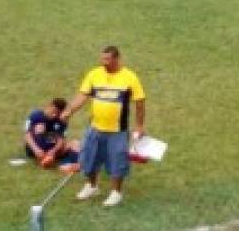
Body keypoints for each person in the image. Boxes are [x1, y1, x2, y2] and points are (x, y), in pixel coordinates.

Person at [61, 45, 147, 208]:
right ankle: (92, 186)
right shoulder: (94, 74)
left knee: (117, 161)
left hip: (117, 131)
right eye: (102, 59)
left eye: (107, 59)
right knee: (89, 157)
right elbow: (82, 95)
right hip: (95, 127)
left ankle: (116, 193)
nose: (104, 62)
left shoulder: (130, 78)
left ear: (117, 59)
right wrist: (70, 110)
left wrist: (139, 126)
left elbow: (140, 102)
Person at [23, 97, 80, 171]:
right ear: (50, 106)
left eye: (58, 113)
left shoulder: (61, 120)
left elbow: (61, 140)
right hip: (36, 148)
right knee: (40, 128)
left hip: (52, 148)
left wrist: (53, 151)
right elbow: (27, 135)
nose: (54, 115)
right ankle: (46, 159)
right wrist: (36, 149)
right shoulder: (36, 115)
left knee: (76, 143)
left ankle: (76, 163)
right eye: (54, 111)